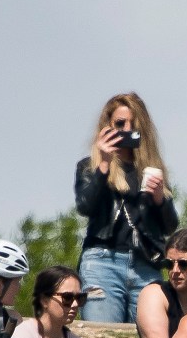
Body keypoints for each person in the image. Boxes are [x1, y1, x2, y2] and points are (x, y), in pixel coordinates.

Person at [75, 92, 178, 324]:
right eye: (120, 124)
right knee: (103, 336)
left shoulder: (152, 170)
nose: (126, 130)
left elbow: (171, 225)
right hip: (102, 261)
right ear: (106, 127)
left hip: (146, 265)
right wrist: (103, 164)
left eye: (134, 125)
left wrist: (160, 198)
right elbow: (85, 206)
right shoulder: (89, 167)